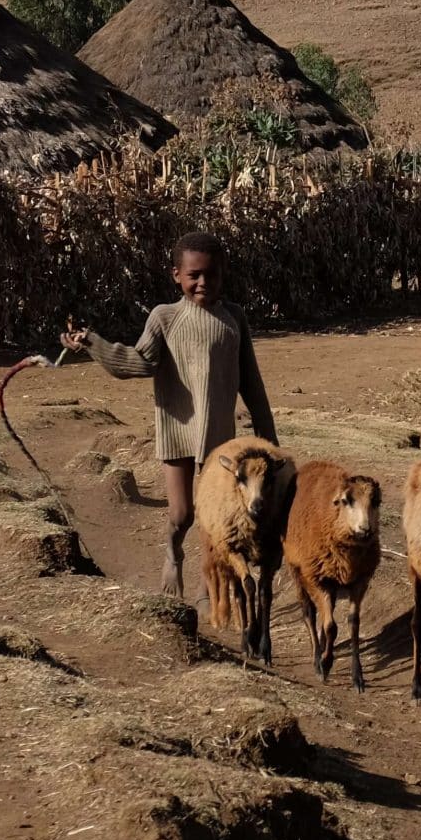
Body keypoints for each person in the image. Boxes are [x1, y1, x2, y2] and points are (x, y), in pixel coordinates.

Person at [58, 230, 276, 598]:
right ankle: (173, 554)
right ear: (177, 274)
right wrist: (93, 343)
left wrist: (268, 439)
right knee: (182, 515)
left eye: (212, 274)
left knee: (215, 520)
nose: (203, 282)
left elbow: (251, 382)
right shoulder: (165, 317)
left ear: (223, 273)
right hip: (177, 431)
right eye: (194, 275)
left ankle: (210, 590)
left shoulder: (234, 318)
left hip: (221, 438)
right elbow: (139, 363)